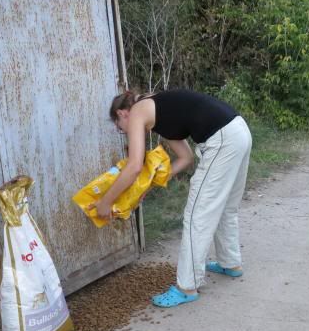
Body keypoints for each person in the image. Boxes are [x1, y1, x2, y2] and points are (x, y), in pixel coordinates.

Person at [93, 88, 252, 307]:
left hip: (223, 140)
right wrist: (144, 188)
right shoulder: (160, 111)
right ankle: (230, 263)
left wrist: (106, 201)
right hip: (239, 131)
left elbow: (134, 166)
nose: (124, 131)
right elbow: (185, 158)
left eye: (121, 129)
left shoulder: (139, 110)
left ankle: (187, 286)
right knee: (225, 207)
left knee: (198, 215)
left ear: (122, 114)